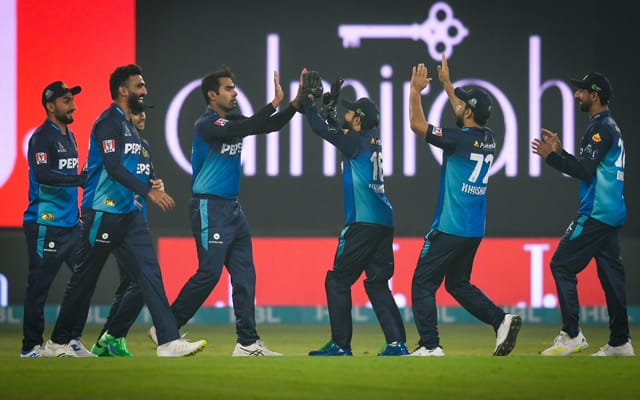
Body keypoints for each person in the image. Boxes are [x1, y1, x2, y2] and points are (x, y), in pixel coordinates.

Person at [42, 64, 207, 358]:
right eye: (139, 86)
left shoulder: (130, 128)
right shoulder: (108, 122)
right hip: (101, 212)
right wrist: (149, 192)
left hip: (129, 214)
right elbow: (113, 167)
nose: (145, 90)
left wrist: (149, 183)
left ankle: (168, 341)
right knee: (84, 279)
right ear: (123, 90)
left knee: (150, 274)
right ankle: (57, 342)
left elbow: (131, 168)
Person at [147, 65, 304, 356]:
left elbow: (268, 126)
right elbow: (244, 128)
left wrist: (294, 105)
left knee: (245, 276)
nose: (235, 93)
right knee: (209, 273)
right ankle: (165, 327)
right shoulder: (206, 124)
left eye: (234, 88)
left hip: (233, 209)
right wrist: (274, 103)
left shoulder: (230, 121)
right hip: (210, 206)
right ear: (212, 94)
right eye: (228, 89)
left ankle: (247, 342)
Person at [407, 55, 521, 357]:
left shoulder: (457, 139)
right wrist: (447, 84)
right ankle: (500, 320)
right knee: (457, 284)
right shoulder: (489, 138)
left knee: (422, 283)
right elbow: (463, 109)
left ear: (468, 112)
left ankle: (430, 345)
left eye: (463, 106)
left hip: (450, 227)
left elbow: (417, 125)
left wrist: (415, 92)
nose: (458, 107)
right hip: (473, 230)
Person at [297, 72, 408, 356]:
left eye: (349, 113)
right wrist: (332, 113)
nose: (345, 115)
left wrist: (309, 104)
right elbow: (339, 131)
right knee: (377, 283)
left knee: (337, 280)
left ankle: (340, 344)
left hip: (362, 222)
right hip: (383, 222)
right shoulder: (368, 140)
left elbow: (320, 129)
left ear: (358, 121)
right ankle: (397, 343)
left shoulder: (354, 141)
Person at [532, 72, 633, 357]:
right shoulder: (609, 126)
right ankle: (620, 342)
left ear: (595, 95)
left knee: (561, 265)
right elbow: (589, 166)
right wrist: (562, 153)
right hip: (612, 211)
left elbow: (585, 171)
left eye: (582, 91)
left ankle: (572, 335)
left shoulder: (599, 128)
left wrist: (552, 157)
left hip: (596, 212)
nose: (577, 95)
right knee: (612, 279)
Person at [21, 81, 92, 358]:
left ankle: (70, 339)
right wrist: (78, 180)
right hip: (45, 223)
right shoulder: (41, 137)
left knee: (85, 279)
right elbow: (43, 175)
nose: (73, 106)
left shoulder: (70, 136)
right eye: (66, 101)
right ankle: (30, 346)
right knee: (39, 287)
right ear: (51, 106)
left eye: (72, 100)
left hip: (71, 225)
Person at [89, 109, 163, 357]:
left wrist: (156, 184)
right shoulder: (116, 141)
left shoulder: (145, 146)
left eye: (144, 113)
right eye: (137, 113)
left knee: (128, 286)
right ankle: (113, 335)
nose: (142, 117)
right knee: (142, 282)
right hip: (116, 217)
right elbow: (111, 173)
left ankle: (108, 341)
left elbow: (149, 179)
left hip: (138, 223)